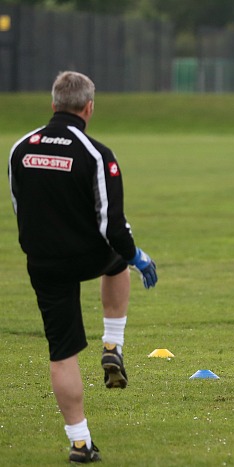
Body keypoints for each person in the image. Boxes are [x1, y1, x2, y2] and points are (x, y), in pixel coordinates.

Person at [8, 71, 158, 463]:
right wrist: (137, 256)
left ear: (53, 103)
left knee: (63, 353)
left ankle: (79, 442)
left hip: (43, 263)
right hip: (89, 254)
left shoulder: (21, 148)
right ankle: (112, 344)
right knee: (117, 263)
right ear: (88, 107)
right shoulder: (96, 154)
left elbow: (20, 209)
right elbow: (113, 224)